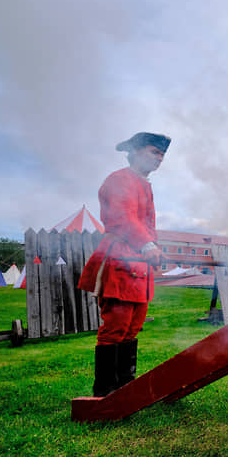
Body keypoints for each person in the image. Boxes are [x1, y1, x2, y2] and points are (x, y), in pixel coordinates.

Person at [78, 132, 170, 397]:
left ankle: (124, 388)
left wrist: (152, 245)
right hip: (121, 257)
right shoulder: (119, 179)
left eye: (162, 156)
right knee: (116, 326)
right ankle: (105, 392)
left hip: (140, 262)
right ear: (137, 151)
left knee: (133, 326)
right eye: (155, 152)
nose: (159, 159)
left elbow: (148, 223)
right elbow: (122, 217)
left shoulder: (145, 184)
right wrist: (147, 244)